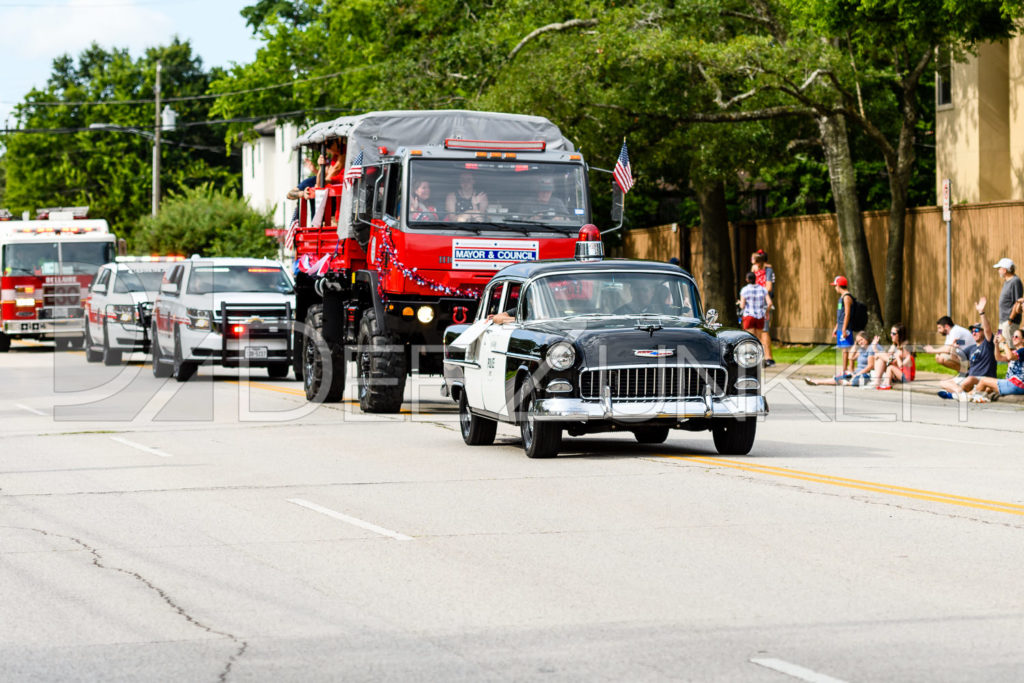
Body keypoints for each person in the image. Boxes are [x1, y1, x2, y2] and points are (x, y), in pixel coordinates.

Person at [938, 299, 998, 401]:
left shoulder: (988, 344)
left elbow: (988, 329)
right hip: (969, 379)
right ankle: (962, 394)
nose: (974, 333)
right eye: (972, 331)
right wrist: (953, 348)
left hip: (982, 378)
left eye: (977, 330)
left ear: (983, 332)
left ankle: (958, 394)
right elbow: (955, 359)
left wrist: (981, 312)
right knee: (943, 382)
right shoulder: (971, 348)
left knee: (969, 380)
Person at [971, 326, 1024, 401]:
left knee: (983, 380)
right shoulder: (1015, 353)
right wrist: (996, 344)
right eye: (1013, 336)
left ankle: (970, 397)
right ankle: (975, 396)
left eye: (1016, 337)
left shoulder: (1022, 351)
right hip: (1014, 385)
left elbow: (1009, 357)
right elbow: (999, 358)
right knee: (988, 389)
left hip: (1016, 385)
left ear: (1023, 340)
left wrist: (1004, 342)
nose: (1014, 338)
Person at [805, 331, 878, 386]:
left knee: (847, 378)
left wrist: (857, 374)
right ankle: (817, 381)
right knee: (839, 377)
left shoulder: (871, 348)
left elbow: (870, 366)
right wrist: (855, 345)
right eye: (859, 341)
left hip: (866, 374)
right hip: (857, 373)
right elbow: (851, 357)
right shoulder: (862, 349)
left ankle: (846, 382)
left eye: (861, 340)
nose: (860, 342)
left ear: (866, 338)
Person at [739, 271, 775, 366]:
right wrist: (766, 312)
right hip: (760, 316)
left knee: (749, 339)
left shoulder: (744, 290)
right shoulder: (763, 289)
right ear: (755, 279)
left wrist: (740, 303)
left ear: (747, 279)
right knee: (759, 339)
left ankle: (750, 360)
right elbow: (770, 303)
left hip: (749, 316)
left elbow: (742, 305)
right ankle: (762, 359)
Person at [872, 323, 915, 389]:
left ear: (900, 335)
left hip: (901, 372)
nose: (891, 335)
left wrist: (879, 354)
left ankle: (878, 381)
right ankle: (877, 381)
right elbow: (887, 358)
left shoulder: (906, 346)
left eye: (894, 333)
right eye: (891, 333)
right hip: (895, 370)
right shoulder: (894, 345)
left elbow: (895, 361)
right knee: (880, 357)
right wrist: (875, 348)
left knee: (881, 356)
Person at [831, 275, 856, 375]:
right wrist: (836, 327)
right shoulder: (842, 297)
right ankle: (845, 370)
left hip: (846, 328)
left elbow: (847, 314)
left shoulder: (847, 297)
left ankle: (849, 370)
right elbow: (840, 314)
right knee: (844, 349)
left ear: (838, 285)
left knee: (847, 349)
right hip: (841, 327)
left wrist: (844, 329)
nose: (834, 288)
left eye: (835, 285)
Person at [994, 257, 1022, 340]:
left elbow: (1018, 302)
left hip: (1009, 323)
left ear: (1005, 270)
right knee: (999, 344)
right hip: (1002, 322)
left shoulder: (1015, 281)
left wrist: (1010, 320)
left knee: (1008, 346)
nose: (998, 270)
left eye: (999, 268)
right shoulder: (1007, 281)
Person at [751, 250, 775, 335]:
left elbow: (768, 288)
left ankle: (764, 346)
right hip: (755, 301)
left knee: (764, 329)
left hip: (764, 300)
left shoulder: (767, 270)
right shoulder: (755, 269)